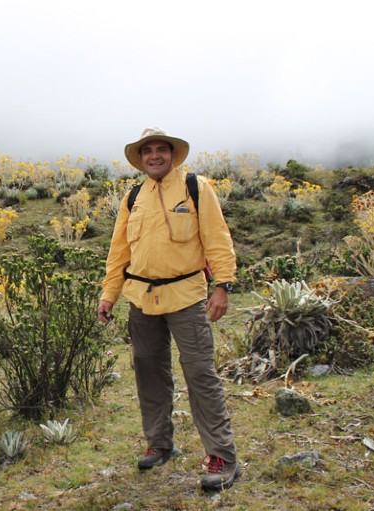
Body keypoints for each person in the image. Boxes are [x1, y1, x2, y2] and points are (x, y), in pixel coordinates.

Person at [97, 127, 241, 491]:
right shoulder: (133, 197)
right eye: (148, 151)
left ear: (173, 155)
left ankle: (222, 457)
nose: (155, 156)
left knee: (199, 374)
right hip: (141, 299)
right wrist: (109, 294)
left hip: (187, 296)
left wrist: (222, 285)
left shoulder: (196, 187)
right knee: (148, 372)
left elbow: (217, 238)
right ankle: (159, 443)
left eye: (162, 150)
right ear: (141, 158)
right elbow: (119, 253)